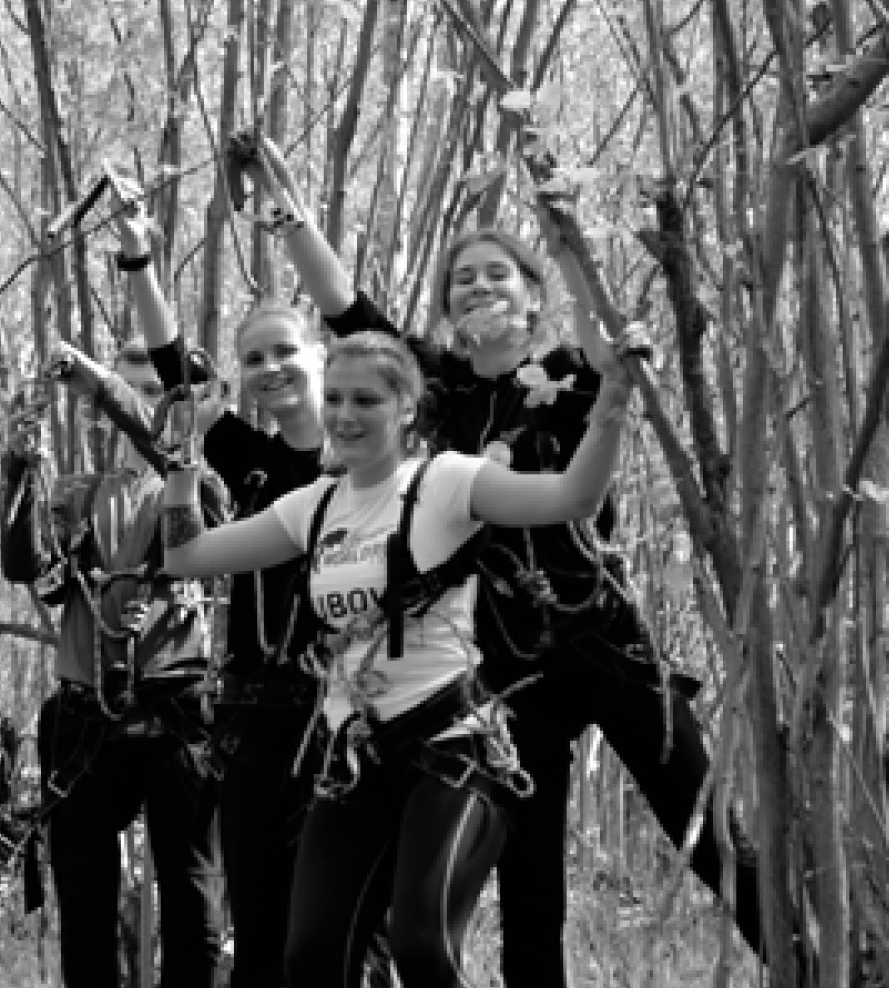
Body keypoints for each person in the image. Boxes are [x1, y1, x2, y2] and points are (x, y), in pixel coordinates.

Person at [234, 132, 763, 988]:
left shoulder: (571, 373)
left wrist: (562, 229)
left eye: (498, 274)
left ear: (532, 295)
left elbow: (605, 348)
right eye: (462, 279)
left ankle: (812, 958)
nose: (478, 287)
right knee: (530, 897)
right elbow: (346, 310)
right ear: (447, 309)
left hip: (609, 647)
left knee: (718, 845)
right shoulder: (437, 390)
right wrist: (289, 212)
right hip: (512, 675)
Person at [161, 322, 640, 988]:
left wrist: (612, 398)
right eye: (335, 399)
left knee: (421, 945)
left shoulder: (447, 482)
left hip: (451, 750)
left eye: (366, 401)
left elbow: (572, 496)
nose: (345, 416)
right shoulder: (313, 507)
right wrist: (181, 463)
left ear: (407, 408)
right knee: (310, 960)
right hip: (356, 762)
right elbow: (186, 555)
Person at [111, 203, 402, 988]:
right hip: (251, 722)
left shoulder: (378, 461)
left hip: (350, 720)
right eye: (254, 359)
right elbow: (175, 370)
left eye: (284, 352)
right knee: (261, 937)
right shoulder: (250, 461)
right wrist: (139, 263)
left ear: (322, 356)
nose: (270, 369)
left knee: (347, 939)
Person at [0, 340, 229, 988]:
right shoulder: (77, 495)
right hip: (86, 723)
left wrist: (103, 386)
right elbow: (24, 566)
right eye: (134, 391)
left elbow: (205, 518)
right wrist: (18, 469)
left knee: (194, 900)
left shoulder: (201, 490)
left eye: (157, 393)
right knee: (84, 905)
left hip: (176, 719)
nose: (143, 407)